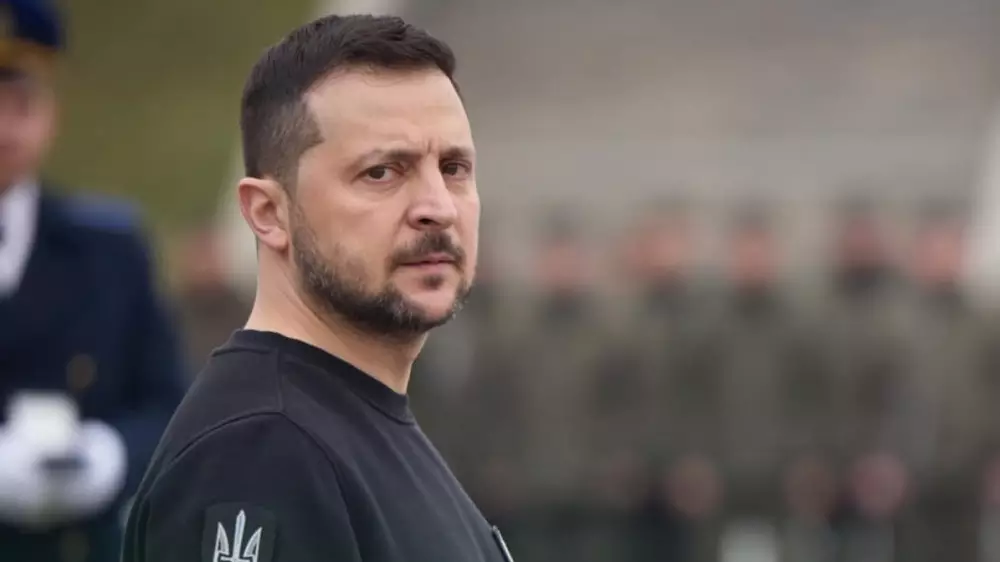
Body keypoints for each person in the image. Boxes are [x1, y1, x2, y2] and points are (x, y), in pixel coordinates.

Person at [122, 14, 513, 562]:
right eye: (382, 172)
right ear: (268, 213)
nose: (438, 208)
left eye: (453, 168)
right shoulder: (262, 451)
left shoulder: (349, 422)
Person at [0, 1, 187, 561]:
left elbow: (169, 406)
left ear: (51, 113)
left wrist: (107, 457)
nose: (4, 127)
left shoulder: (111, 251)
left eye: (21, 103)